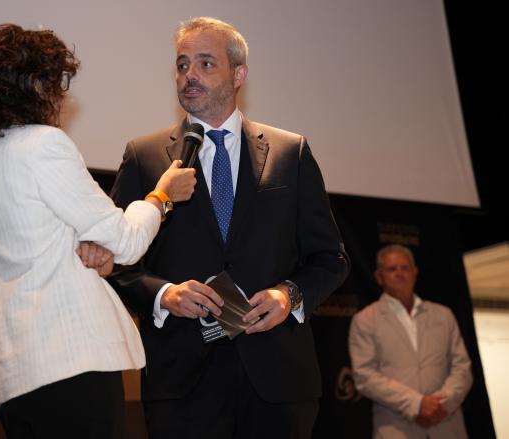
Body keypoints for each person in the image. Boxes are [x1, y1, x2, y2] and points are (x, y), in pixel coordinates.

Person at [108, 17, 349, 438]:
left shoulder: (289, 152)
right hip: (182, 383)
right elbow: (116, 261)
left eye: (205, 64)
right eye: (182, 65)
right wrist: (165, 295)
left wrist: (288, 295)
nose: (189, 76)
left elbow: (331, 258)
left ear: (239, 74)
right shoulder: (145, 156)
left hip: (277, 383)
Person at [0, 23, 196, 438]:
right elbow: (126, 240)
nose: (60, 95)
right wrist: (161, 196)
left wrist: (90, 247)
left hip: (17, 376)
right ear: (34, 84)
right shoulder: (43, 145)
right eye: (54, 82)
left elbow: (43, 244)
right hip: (69, 367)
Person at [348, 244, 472, 438]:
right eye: (391, 269)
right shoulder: (365, 319)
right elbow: (365, 375)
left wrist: (442, 404)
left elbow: (462, 368)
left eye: (405, 268)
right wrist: (417, 404)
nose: (400, 273)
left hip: (448, 426)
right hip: (396, 430)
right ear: (379, 277)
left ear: (415, 272)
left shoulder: (443, 315)